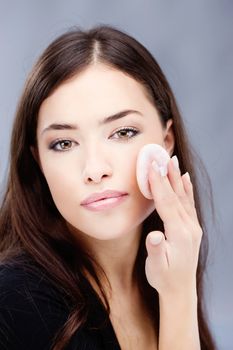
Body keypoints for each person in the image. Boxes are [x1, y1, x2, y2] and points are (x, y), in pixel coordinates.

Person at [0, 24, 217, 350]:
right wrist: (178, 296)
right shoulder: (16, 301)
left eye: (123, 132)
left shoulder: (163, 280)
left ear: (166, 140)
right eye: (63, 143)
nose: (95, 169)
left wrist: (178, 292)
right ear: (38, 162)